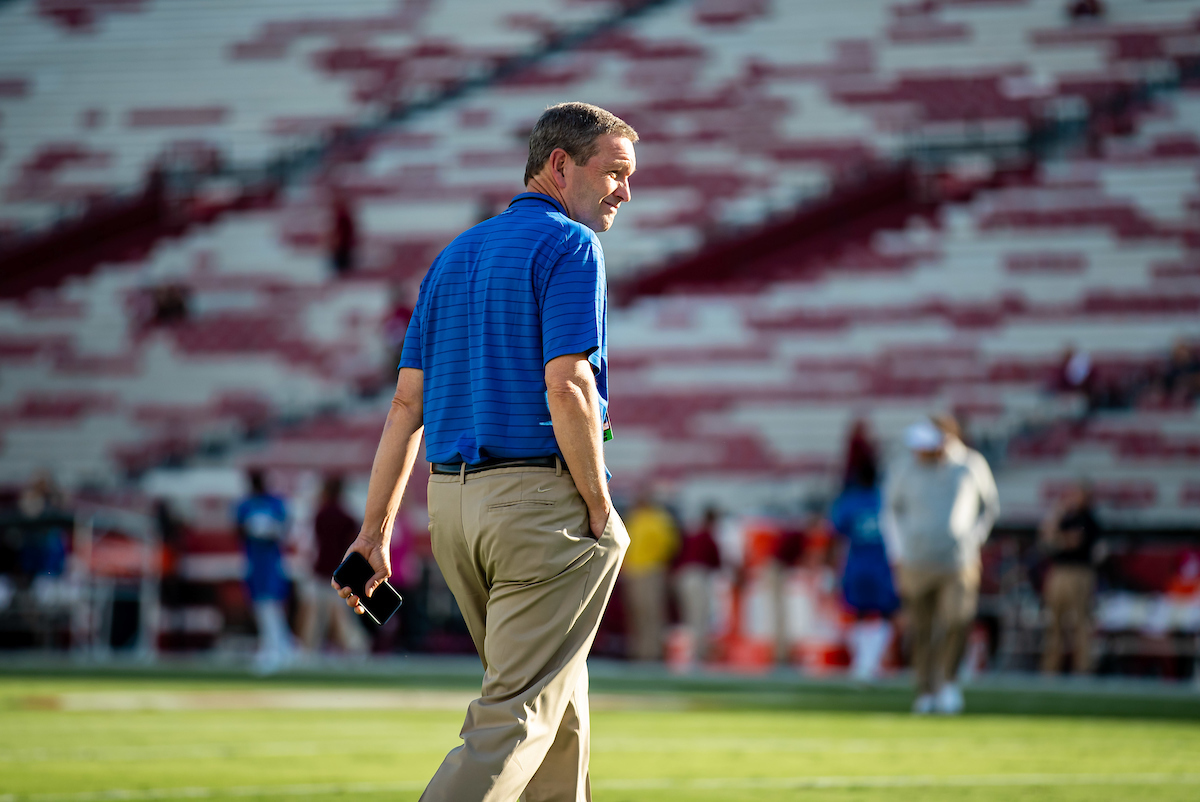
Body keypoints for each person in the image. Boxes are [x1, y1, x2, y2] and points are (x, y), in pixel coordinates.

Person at [333, 102, 636, 802]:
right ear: (560, 165)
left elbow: (405, 407)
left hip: (454, 509)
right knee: (518, 714)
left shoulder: (452, 257)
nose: (626, 191)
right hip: (536, 506)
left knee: (556, 706)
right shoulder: (571, 245)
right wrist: (597, 503)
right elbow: (568, 384)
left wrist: (374, 533)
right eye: (615, 173)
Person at [885, 417, 999, 715]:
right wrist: (897, 554)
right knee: (921, 629)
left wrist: (973, 540)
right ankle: (925, 689)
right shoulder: (904, 467)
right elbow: (891, 511)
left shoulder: (970, 465)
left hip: (957, 561)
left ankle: (948, 681)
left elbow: (989, 507)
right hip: (916, 562)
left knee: (956, 621)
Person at [830, 433, 898, 683]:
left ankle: (864, 662)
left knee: (858, 613)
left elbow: (835, 532)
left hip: (856, 565)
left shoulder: (849, 501)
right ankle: (871, 661)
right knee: (884, 613)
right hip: (882, 566)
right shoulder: (886, 499)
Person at [234, 469, 294, 674]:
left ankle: (276, 648)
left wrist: (269, 529)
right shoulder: (245, 504)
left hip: (271, 562)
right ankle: (278, 646)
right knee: (261, 606)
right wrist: (252, 529)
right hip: (254, 562)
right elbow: (238, 530)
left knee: (272, 605)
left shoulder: (275, 503)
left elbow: (284, 528)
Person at [302, 475, 369, 657]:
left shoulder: (320, 514)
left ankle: (312, 649)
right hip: (341, 571)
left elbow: (313, 545)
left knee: (318, 614)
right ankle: (356, 647)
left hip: (322, 570)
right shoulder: (347, 516)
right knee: (340, 614)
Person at [1039, 482, 1101, 675]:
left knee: (1080, 622)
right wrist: (1057, 512)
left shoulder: (1089, 519)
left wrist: (1059, 539)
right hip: (1059, 571)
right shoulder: (1066, 518)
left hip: (1079, 573)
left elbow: (1074, 542)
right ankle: (1051, 666)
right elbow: (1046, 535)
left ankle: (1083, 667)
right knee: (1053, 621)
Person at [622, 491, 680, 662]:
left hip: (652, 570)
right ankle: (638, 650)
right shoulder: (634, 517)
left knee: (652, 612)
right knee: (637, 612)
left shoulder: (660, 518)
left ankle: (652, 651)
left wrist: (658, 562)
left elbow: (669, 545)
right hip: (634, 570)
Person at [673, 506, 722, 663]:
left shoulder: (692, 534)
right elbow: (717, 562)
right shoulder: (707, 535)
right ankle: (697, 653)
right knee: (699, 616)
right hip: (697, 576)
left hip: (683, 576)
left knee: (690, 615)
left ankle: (690, 651)